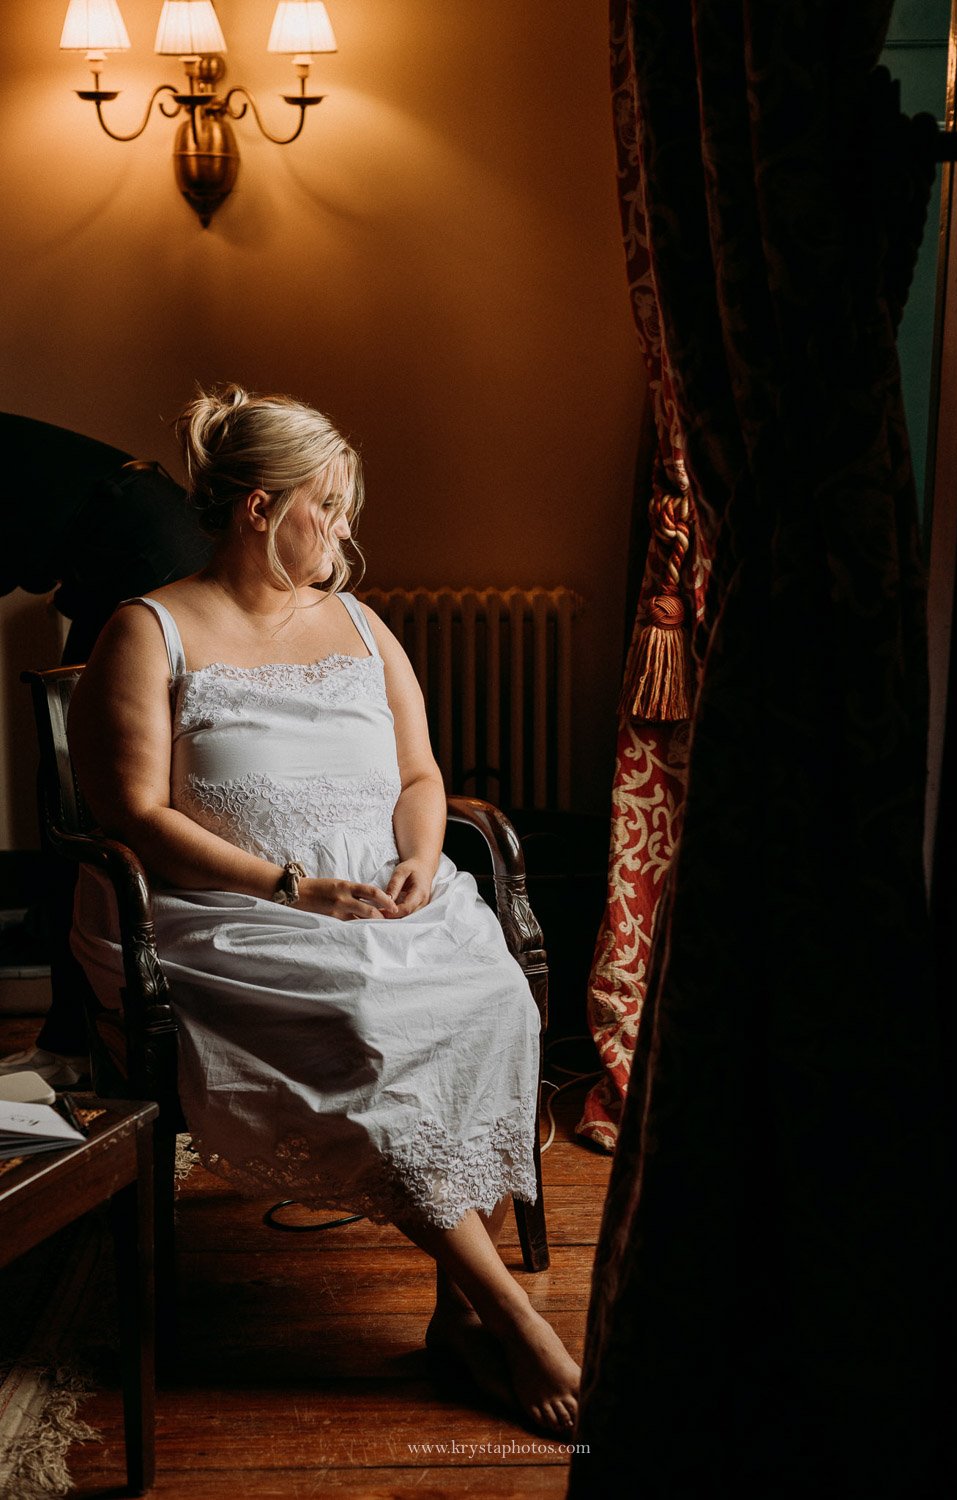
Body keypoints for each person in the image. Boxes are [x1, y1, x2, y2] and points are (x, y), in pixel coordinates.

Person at [67, 384, 580, 1435]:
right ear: (260, 508)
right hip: (226, 910)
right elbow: (130, 812)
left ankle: (450, 1317)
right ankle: (508, 1311)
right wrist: (290, 888)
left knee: (489, 998)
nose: (343, 532)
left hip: (383, 894)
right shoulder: (147, 628)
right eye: (327, 507)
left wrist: (421, 862)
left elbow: (422, 775)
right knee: (364, 1022)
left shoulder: (358, 625)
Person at [0, 413, 212, 1086]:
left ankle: (83, 1045)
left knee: (83, 802)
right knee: (85, 798)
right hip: (140, 532)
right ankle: (84, 1039)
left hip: (141, 545)